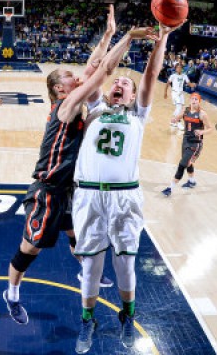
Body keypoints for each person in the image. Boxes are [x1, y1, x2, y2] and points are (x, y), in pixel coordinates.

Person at [2, 4, 153, 327]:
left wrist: (108, 34)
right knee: (30, 249)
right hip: (49, 188)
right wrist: (126, 38)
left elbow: (92, 67)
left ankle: (88, 272)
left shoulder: (74, 98)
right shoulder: (67, 105)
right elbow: (100, 72)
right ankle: (12, 293)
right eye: (72, 78)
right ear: (61, 88)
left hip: (72, 188)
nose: (79, 77)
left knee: (78, 237)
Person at [71, 23, 175, 353]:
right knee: (90, 266)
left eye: (125, 85)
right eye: (116, 82)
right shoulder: (95, 107)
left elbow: (149, 75)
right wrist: (125, 37)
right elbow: (99, 69)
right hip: (88, 194)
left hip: (125, 196)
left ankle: (127, 316)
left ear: (132, 97)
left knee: (125, 265)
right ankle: (87, 321)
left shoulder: (138, 116)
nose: (119, 84)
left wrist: (164, 38)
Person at [162, 92, 214, 196]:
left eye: (196, 99)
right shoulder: (186, 110)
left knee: (182, 164)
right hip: (185, 140)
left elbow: (211, 128)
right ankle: (192, 181)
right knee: (188, 163)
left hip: (196, 144)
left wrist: (202, 132)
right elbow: (177, 117)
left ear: (199, 101)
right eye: (192, 99)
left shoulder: (202, 114)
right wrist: (175, 119)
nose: (194, 101)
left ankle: (170, 188)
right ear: (190, 100)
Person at [164, 62, 195, 131]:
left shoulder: (184, 75)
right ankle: (178, 122)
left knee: (181, 109)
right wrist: (165, 92)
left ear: (182, 69)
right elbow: (167, 84)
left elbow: (189, 83)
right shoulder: (173, 76)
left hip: (181, 93)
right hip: (175, 93)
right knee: (179, 107)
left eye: (180, 68)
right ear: (175, 69)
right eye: (178, 67)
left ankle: (172, 121)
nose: (179, 69)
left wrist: (193, 85)